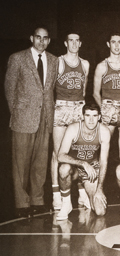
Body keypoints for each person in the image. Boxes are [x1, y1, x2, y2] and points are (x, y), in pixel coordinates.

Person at [5, 27, 58, 218]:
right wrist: (18, 112)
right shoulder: (17, 58)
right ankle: (22, 203)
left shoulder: (53, 60)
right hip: (23, 118)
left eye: (45, 38)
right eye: (38, 38)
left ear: (49, 41)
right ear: (31, 38)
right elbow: (10, 89)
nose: (41, 42)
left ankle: (37, 200)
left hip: (45, 118)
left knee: (40, 163)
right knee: (21, 164)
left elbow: (50, 91)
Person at [51, 32, 90, 211]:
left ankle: (82, 192)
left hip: (78, 108)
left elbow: (84, 88)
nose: (74, 43)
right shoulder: (58, 62)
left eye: (77, 40)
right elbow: (50, 88)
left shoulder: (85, 64)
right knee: (58, 153)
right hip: (61, 107)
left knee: (80, 152)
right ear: (66, 43)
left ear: (80, 43)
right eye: (71, 41)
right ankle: (56, 194)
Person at [56, 104, 111, 220]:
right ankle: (66, 204)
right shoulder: (73, 128)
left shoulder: (104, 131)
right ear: (82, 116)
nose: (91, 120)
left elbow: (104, 162)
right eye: (88, 116)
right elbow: (60, 156)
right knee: (63, 169)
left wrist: (100, 188)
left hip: (91, 171)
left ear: (99, 117)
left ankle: (85, 191)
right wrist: (83, 163)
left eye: (94, 116)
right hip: (75, 168)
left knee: (100, 211)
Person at [93, 32, 120, 135]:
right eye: (113, 42)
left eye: (119, 42)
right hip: (108, 108)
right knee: (104, 142)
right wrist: (104, 109)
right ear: (108, 44)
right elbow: (95, 93)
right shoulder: (101, 66)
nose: (116, 46)